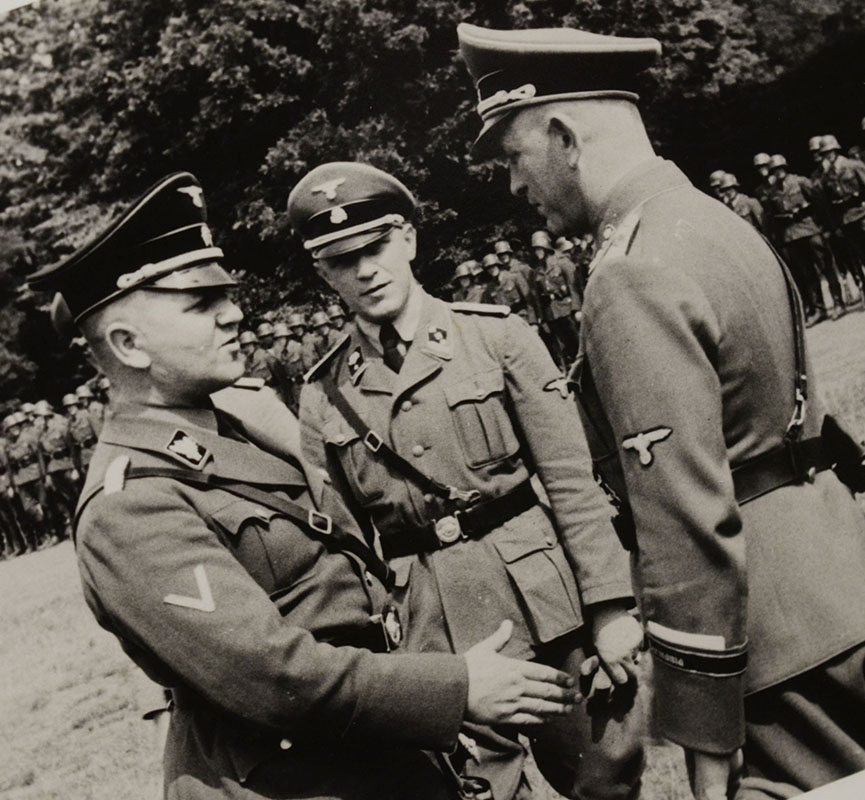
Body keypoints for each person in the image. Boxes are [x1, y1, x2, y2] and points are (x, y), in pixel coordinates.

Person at [27, 170, 578, 800]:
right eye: (202, 305)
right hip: (289, 778)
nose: (234, 314)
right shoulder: (130, 507)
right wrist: (455, 688)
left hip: (364, 749)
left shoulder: (238, 426)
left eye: (226, 296)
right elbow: (271, 674)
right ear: (128, 344)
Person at [456, 21, 865, 800]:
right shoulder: (708, 221)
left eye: (513, 156)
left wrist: (705, 743)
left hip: (772, 636)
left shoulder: (629, 275)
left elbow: (683, 520)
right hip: (838, 578)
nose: (513, 186)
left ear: (565, 136)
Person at [289, 161, 645, 800]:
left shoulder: (494, 336)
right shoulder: (323, 396)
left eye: (376, 247)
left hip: (549, 602)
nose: (366, 270)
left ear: (408, 241)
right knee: (480, 793)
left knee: (604, 777)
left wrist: (612, 605)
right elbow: (344, 548)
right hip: (435, 630)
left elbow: (571, 481)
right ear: (324, 274)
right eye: (344, 261)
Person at [766, 154, 841, 324]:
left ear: (785, 167)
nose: (778, 173)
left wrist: (826, 227)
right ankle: (819, 309)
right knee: (808, 274)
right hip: (792, 235)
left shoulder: (801, 182)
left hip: (810, 228)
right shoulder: (773, 193)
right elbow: (772, 216)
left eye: (779, 169)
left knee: (826, 267)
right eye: (774, 171)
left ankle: (838, 302)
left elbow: (820, 204)